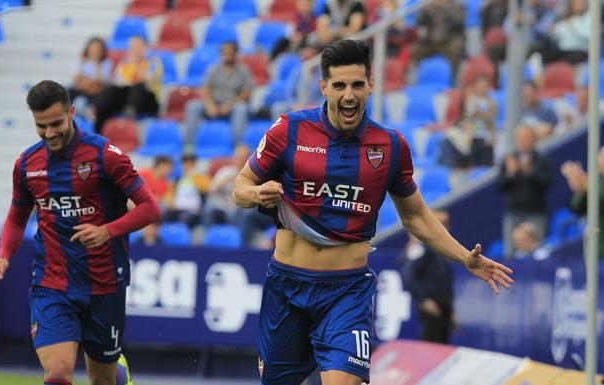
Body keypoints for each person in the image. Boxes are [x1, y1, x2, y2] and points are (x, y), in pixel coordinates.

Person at [232, 39, 514, 385]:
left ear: (371, 85)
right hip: (287, 286)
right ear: (323, 87)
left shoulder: (391, 146)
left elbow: (416, 216)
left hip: (346, 292)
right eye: (339, 86)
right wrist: (256, 193)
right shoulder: (288, 130)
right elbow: (239, 187)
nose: (348, 95)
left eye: (356, 85)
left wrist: (463, 257)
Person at [0, 80, 160, 385]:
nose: (50, 133)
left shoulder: (106, 155)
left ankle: (117, 372)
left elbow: (150, 208)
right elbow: (16, 218)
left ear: (72, 112)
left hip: (105, 284)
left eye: (56, 124)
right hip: (52, 283)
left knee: (102, 380)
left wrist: (107, 231)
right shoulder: (27, 164)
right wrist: (4, 256)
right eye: (41, 126)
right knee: (57, 373)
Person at [497, 124, 553, 256]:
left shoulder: (542, 160)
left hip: (536, 213)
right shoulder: (509, 159)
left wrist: (531, 172)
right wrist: (510, 174)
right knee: (510, 253)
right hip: (513, 213)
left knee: (537, 251)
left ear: (534, 139)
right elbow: (500, 185)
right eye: (521, 137)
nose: (524, 140)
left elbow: (547, 184)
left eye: (527, 137)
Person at [401, 210, 456, 344]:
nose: (444, 228)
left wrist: (450, 311)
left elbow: (446, 281)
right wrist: (424, 300)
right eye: (440, 224)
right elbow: (409, 274)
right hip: (431, 307)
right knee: (430, 343)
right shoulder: (422, 248)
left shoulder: (445, 249)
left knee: (443, 346)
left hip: (443, 308)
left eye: (446, 224)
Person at [184, 41, 252, 145]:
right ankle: (189, 145)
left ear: (235, 54)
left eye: (230, 53)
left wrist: (230, 105)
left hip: (232, 105)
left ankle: (237, 146)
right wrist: (210, 105)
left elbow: (246, 93)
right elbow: (205, 89)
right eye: (225, 53)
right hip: (214, 103)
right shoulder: (212, 69)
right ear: (221, 54)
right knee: (192, 106)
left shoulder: (243, 71)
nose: (227, 55)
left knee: (241, 109)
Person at [92, 36, 162, 132]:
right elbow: (118, 84)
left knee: (138, 86)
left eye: (138, 48)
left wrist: (137, 64)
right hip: (128, 99)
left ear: (145, 48)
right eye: (132, 48)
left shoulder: (153, 62)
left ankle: (128, 116)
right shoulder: (124, 64)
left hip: (148, 100)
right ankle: (96, 111)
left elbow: (148, 80)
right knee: (111, 91)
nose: (135, 51)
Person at [561, 146, 604, 257]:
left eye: (601, 157)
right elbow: (577, 207)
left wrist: (585, 183)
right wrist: (581, 188)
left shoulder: (596, 185)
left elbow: (599, 197)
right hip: (596, 249)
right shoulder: (597, 183)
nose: (598, 161)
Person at [68, 37, 113, 114]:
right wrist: (81, 64)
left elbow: (100, 81)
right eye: (93, 47)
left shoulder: (107, 63)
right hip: (81, 90)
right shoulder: (81, 62)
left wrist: (96, 63)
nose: (95, 50)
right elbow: (76, 79)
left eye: (98, 48)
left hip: (97, 93)